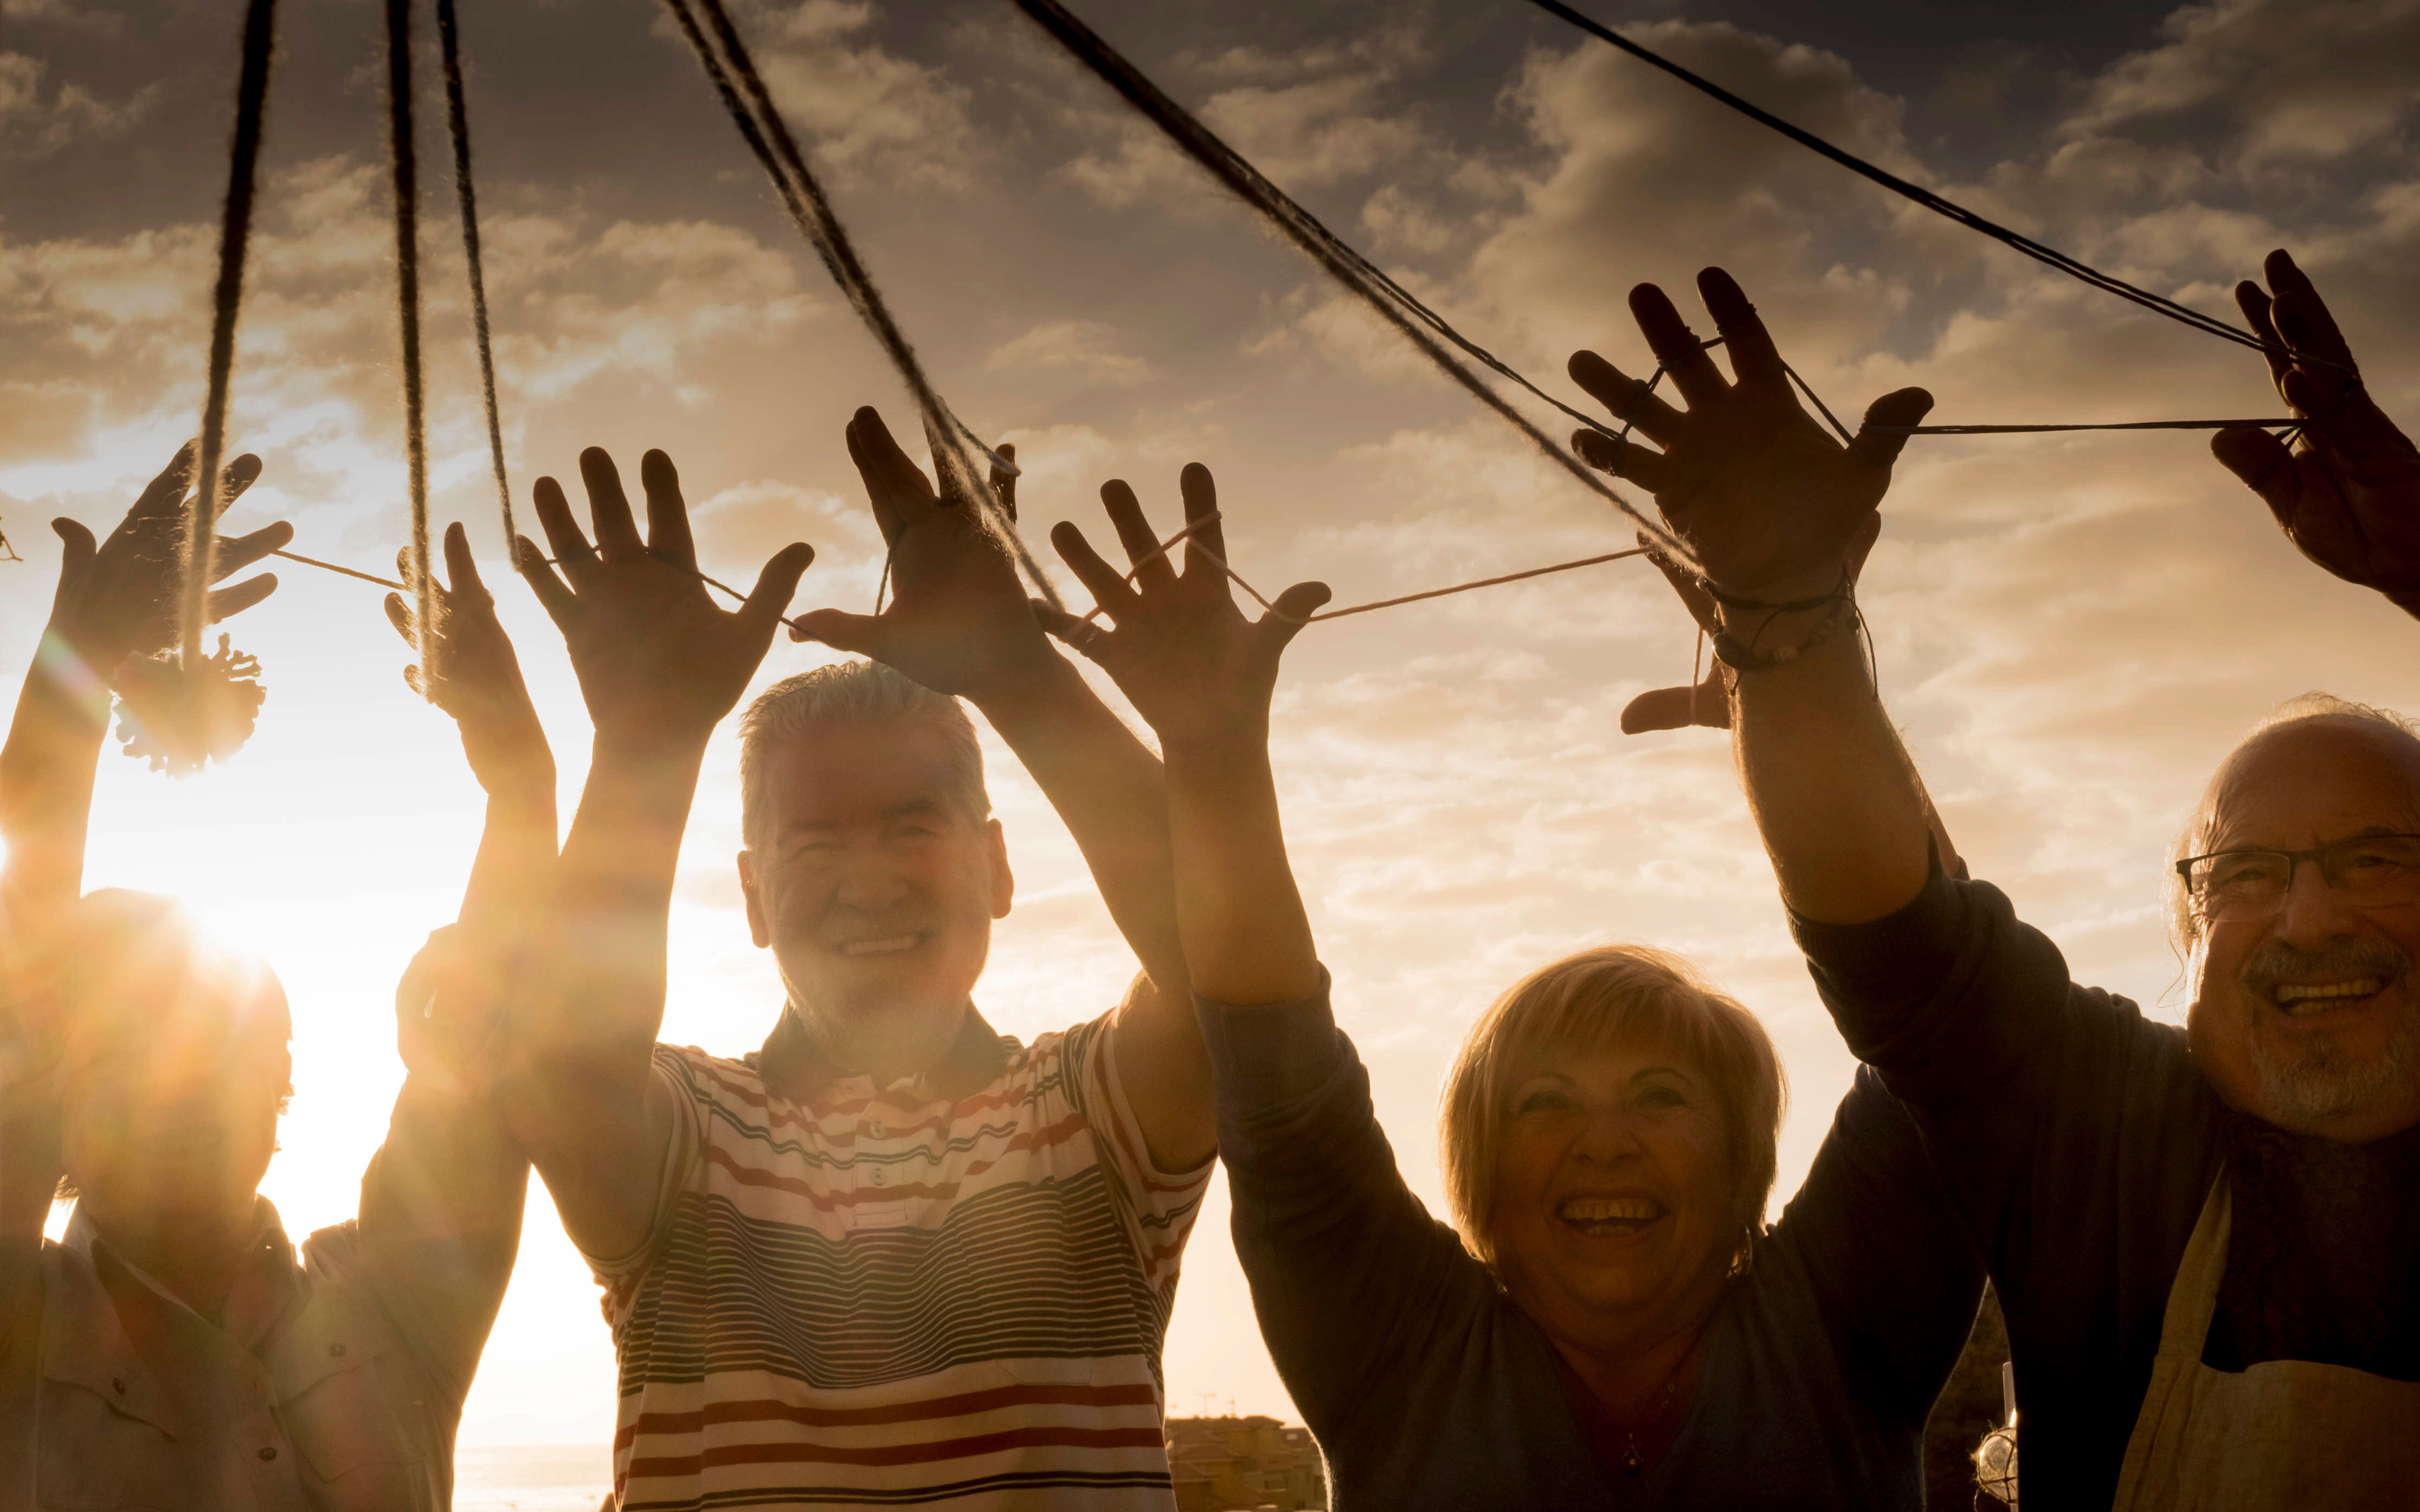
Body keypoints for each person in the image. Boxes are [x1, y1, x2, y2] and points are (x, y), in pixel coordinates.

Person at [1573, 253, 2420, 1508]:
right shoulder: (2108, 1134)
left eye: (2377, 860)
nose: (2310, 916)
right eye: (2245, 873)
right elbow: (1901, 938)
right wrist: (1787, 620)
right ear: (2185, 938)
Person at [1027, 471, 1986, 1506]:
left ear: (1747, 1154)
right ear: (1478, 1167)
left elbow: (1943, 1009)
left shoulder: (1844, 1322)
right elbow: (1277, 1079)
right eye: (1545, 1102)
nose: (1603, 1140)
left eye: (1660, 1096)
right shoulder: (1399, 1342)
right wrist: (1212, 751)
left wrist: (1809, 663)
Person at [500, 419, 1219, 1509]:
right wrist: (644, 742)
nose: (868, 876)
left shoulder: (1088, 1119)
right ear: (751, 895)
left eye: (913, 826)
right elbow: (565, 1058)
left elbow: (1226, 968)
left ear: (997, 868)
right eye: (817, 840)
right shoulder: (690, 1139)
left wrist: (1017, 675)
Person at [0, 446, 552, 1509]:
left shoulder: (393, 1307)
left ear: (282, 1090)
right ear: (52, 1108)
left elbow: (487, 1050)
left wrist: (520, 786)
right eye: (124, 1052)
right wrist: (81, 658)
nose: (180, 1084)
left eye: (221, 1045)